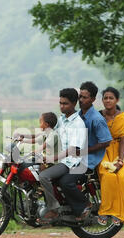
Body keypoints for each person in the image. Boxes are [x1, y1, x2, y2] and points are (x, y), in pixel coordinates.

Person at [36, 88, 90, 223]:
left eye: (65, 103)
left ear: (73, 104)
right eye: (60, 103)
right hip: (61, 159)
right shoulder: (61, 120)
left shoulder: (78, 124)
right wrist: (23, 137)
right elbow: (48, 134)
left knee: (44, 176)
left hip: (70, 161)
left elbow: (72, 149)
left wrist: (52, 158)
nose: (61, 106)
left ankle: (53, 209)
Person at [97, 87, 124, 226]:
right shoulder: (98, 116)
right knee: (108, 176)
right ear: (102, 100)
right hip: (102, 152)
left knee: (122, 176)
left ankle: (119, 214)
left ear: (116, 100)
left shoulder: (123, 118)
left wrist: (120, 161)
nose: (108, 100)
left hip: (118, 152)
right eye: (105, 98)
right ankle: (105, 211)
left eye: (111, 98)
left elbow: (123, 141)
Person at [78, 81, 112, 172]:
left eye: (84, 97)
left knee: (65, 181)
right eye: (80, 96)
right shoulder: (77, 115)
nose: (81, 100)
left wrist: (84, 151)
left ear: (93, 99)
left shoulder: (97, 119)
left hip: (88, 161)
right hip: (76, 158)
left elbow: (106, 142)